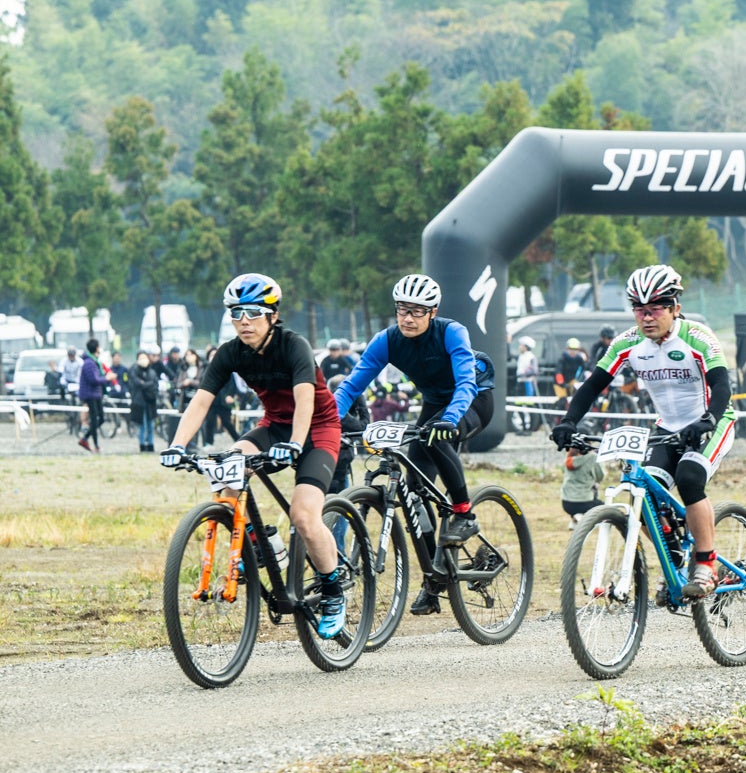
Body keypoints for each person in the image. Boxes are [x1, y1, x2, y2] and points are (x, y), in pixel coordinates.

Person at [158, 274, 350, 639]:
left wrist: (296, 442)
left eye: (253, 313)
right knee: (225, 473)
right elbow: (201, 400)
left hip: (317, 429)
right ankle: (264, 545)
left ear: (272, 315)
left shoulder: (294, 345)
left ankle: (332, 591)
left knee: (305, 517)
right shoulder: (230, 352)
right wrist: (177, 445)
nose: (244, 320)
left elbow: (306, 400)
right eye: (236, 313)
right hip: (274, 425)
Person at [550, 265, 735, 600]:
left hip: (712, 421)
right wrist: (568, 422)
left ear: (675, 307)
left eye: (654, 309)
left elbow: (722, 385)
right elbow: (593, 384)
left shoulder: (698, 337)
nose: (646, 317)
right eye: (639, 310)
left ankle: (706, 566)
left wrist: (708, 420)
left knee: (690, 477)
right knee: (643, 492)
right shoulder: (628, 342)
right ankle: (675, 555)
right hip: (667, 427)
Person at [332, 274, 497, 615]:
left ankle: (464, 512)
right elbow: (351, 386)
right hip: (434, 404)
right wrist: (327, 418)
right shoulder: (387, 341)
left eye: (417, 311)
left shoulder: (452, 332)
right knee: (414, 492)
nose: (407, 318)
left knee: (438, 439)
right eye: (402, 310)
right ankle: (433, 582)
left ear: (432, 312)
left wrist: (450, 419)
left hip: (471, 401)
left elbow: (465, 381)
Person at [75, 339, 106, 452]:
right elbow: (94, 380)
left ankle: (86, 438)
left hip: (96, 394)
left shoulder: (94, 361)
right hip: (90, 394)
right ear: (97, 348)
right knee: (94, 419)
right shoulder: (89, 363)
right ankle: (95, 445)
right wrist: (106, 379)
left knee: (100, 418)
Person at [129, 350, 161, 452]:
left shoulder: (152, 372)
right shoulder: (134, 371)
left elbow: (154, 385)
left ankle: (150, 445)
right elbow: (137, 383)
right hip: (139, 402)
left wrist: (145, 384)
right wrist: (148, 384)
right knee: (142, 425)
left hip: (150, 402)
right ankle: (142, 445)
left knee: (151, 425)